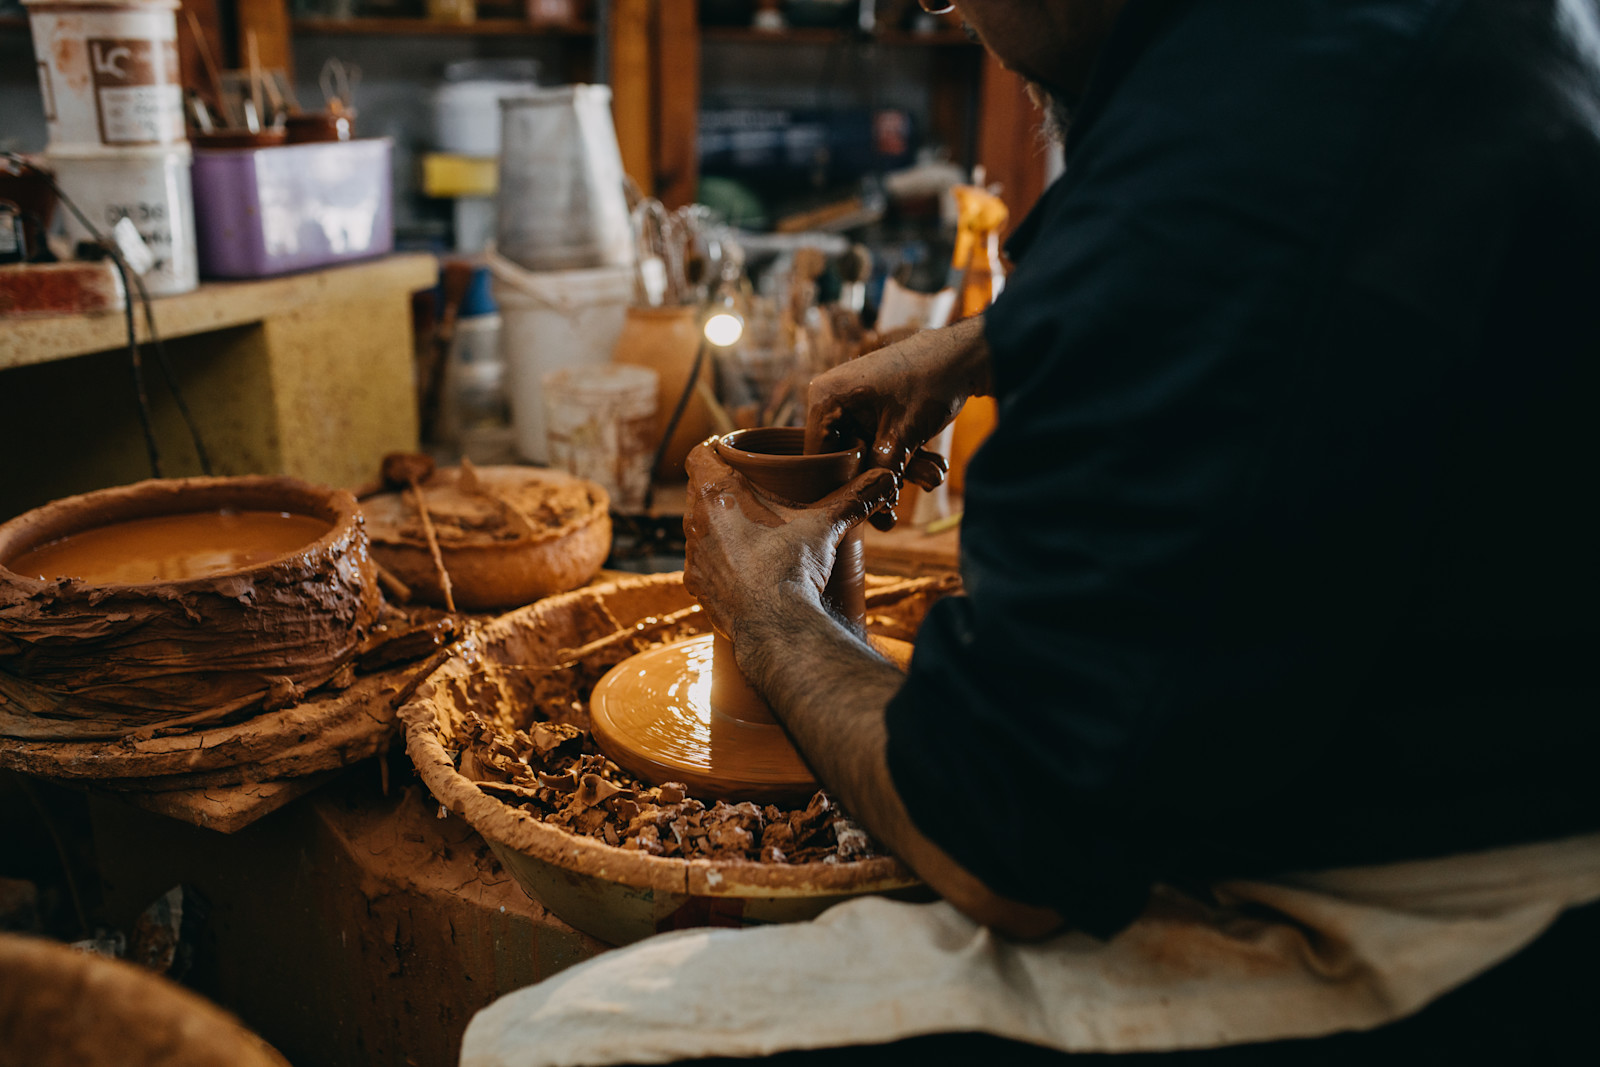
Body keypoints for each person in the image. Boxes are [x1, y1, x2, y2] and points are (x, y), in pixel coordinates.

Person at [675, 0, 1600, 1056]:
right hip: (1420, 761)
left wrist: (771, 614)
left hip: (1470, 923)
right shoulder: (1312, 55)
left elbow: (1005, 840)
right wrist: (1005, 338)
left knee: (561, 1034)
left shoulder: (1228, 155)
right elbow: (1329, 272)